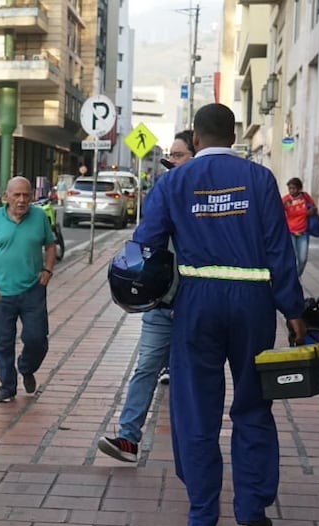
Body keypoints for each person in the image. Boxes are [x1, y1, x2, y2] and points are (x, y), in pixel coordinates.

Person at [132, 103, 306, 526]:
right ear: (234, 136)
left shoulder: (175, 181)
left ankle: (202, 515)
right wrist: (294, 310)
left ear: (195, 139)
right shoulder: (260, 179)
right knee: (253, 402)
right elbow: (278, 250)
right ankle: (252, 505)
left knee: (195, 408)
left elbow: (146, 245)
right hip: (253, 303)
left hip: (197, 303)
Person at [98, 130, 195, 462]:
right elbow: (143, 241)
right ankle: (128, 439)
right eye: (171, 155)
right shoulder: (163, 192)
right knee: (146, 367)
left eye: (179, 155)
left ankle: (193, 444)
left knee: (191, 376)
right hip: (161, 302)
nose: (172, 160)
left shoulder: (202, 200)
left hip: (195, 305)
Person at [0, 176, 57, 403]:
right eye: (17, 195)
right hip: (2, 292)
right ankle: (7, 387)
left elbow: (50, 246)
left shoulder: (39, 216)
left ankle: (26, 367)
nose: (22, 200)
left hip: (33, 289)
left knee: (37, 339)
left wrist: (48, 270)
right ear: (6, 197)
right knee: (3, 342)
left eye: (26, 195)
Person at [282, 177, 319, 276]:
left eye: (293, 188)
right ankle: (293, 280)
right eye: (289, 188)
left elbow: (314, 207)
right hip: (290, 232)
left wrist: (312, 211)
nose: (291, 191)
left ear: (299, 189)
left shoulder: (305, 197)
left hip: (303, 232)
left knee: (303, 259)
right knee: (292, 258)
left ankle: (297, 276)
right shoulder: (286, 199)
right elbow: (276, 210)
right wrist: (284, 204)